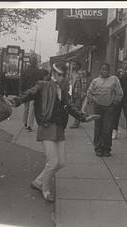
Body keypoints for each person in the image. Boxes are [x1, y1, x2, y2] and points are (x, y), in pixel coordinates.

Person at [10, 62, 99, 202]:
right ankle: (45, 189)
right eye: (60, 75)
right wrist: (17, 100)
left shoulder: (63, 92)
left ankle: (38, 182)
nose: (62, 78)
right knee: (53, 162)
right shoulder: (43, 85)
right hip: (46, 126)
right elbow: (30, 93)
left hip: (59, 128)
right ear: (54, 73)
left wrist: (84, 117)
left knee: (61, 162)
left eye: (64, 75)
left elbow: (71, 107)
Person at [82, 63, 123, 157]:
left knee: (107, 129)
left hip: (109, 107)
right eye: (103, 69)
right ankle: (98, 148)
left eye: (106, 69)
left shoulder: (114, 79)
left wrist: (115, 101)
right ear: (100, 70)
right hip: (98, 107)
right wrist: (93, 99)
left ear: (109, 70)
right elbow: (89, 92)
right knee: (98, 128)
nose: (104, 71)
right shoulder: (95, 81)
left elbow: (119, 92)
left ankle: (106, 148)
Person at [112, 58, 127, 141]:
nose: (125, 65)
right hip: (119, 96)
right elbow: (115, 83)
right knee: (116, 114)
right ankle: (114, 131)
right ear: (122, 64)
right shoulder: (118, 72)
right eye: (124, 63)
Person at [20, 56, 42, 132]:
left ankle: (25, 123)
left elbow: (22, 82)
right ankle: (30, 125)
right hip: (34, 92)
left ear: (29, 62)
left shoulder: (25, 70)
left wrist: (22, 92)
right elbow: (40, 82)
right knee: (32, 108)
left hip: (26, 91)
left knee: (26, 108)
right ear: (35, 62)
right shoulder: (38, 71)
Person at [69, 61, 88, 128]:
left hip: (79, 92)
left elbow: (84, 83)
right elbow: (71, 83)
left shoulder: (82, 73)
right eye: (72, 64)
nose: (73, 66)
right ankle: (79, 120)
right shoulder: (72, 73)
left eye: (74, 64)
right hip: (73, 92)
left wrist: (83, 93)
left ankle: (76, 123)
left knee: (77, 107)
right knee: (74, 107)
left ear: (78, 66)